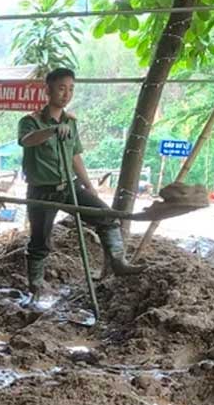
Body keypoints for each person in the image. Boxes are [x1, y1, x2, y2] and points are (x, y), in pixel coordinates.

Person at [18, 67, 144, 299]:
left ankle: (118, 261)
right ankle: (35, 286)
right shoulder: (30, 121)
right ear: (48, 90)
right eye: (61, 88)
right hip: (41, 192)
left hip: (69, 187)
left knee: (106, 216)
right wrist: (52, 130)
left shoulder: (71, 122)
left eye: (71, 89)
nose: (66, 94)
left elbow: (75, 156)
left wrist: (88, 185)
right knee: (40, 241)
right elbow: (26, 141)